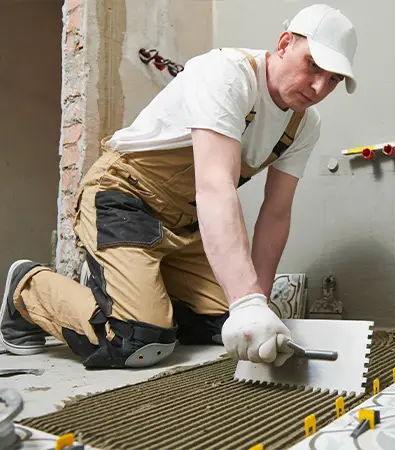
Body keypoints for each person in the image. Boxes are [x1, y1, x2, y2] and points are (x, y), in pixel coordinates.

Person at [0, 4, 358, 369]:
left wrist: (257, 306)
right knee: (141, 341)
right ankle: (27, 288)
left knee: (224, 325)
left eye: (332, 80)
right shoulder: (227, 74)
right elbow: (216, 186)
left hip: (183, 226)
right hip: (123, 199)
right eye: (313, 65)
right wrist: (246, 300)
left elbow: (276, 213)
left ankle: (132, 286)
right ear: (284, 44)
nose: (318, 87)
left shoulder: (304, 125)